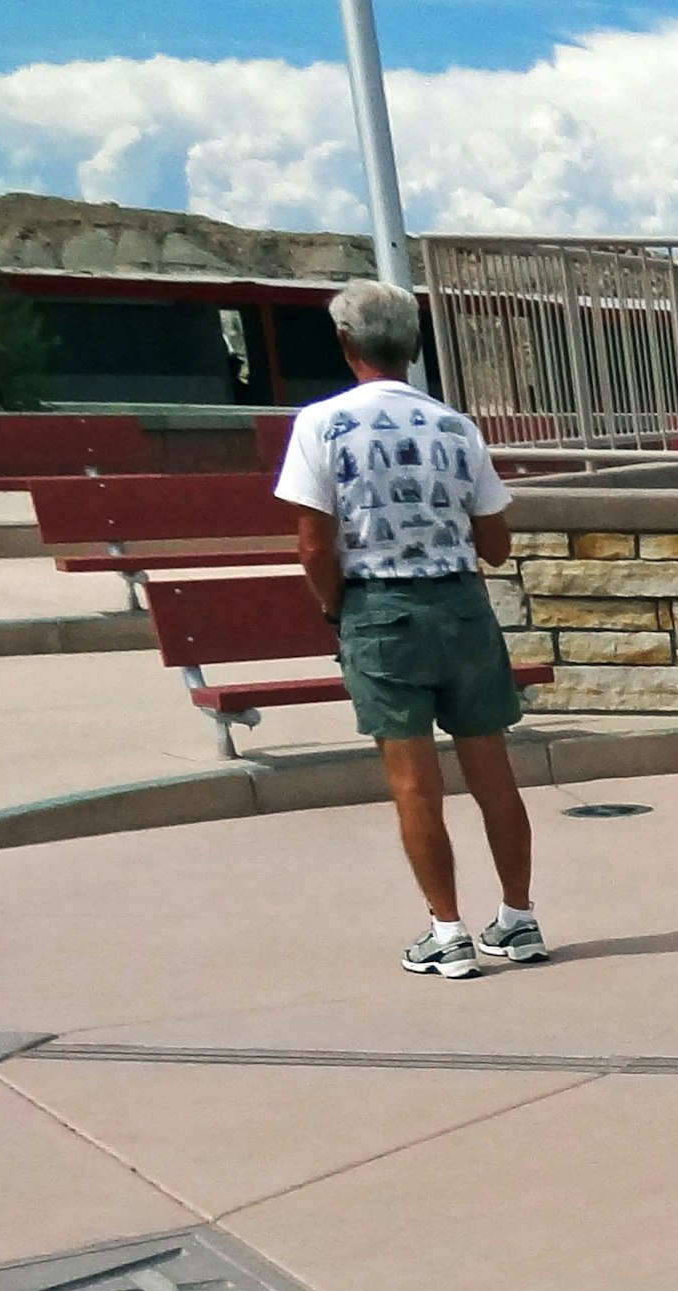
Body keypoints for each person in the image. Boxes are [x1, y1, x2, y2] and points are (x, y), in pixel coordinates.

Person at [275, 279, 546, 978]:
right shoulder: (456, 426)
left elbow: (312, 544)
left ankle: (447, 930)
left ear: (345, 343)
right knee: (493, 774)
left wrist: (337, 610)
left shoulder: (321, 425)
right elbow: (496, 545)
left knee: (414, 784)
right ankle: (518, 918)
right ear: (414, 344)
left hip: (380, 608)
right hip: (460, 605)